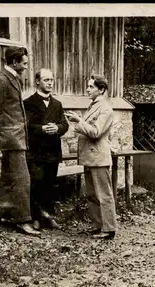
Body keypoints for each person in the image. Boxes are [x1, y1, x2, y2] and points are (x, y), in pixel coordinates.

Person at [0, 46, 40, 236]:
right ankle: (22, 220)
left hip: (15, 137)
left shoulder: (12, 78)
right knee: (22, 180)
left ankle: (5, 214)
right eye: (24, 63)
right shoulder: (1, 81)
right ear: (15, 62)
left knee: (9, 178)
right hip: (11, 138)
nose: (26, 67)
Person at [64, 74, 117, 240]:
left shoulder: (105, 108)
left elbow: (96, 132)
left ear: (101, 90)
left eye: (91, 87)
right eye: (88, 86)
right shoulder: (93, 105)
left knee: (104, 194)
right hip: (90, 157)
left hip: (99, 158)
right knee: (92, 194)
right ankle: (98, 225)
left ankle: (109, 228)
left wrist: (79, 121)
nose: (87, 89)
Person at [24, 68, 69, 230]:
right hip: (36, 153)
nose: (50, 83)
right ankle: (36, 217)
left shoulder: (57, 104)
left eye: (51, 80)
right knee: (36, 184)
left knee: (50, 185)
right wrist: (42, 129)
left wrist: (57, 128)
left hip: (53, 152)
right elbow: (26, 126)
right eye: (46, 80)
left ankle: (48, 216)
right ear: (37, 81)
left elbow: (65, 124)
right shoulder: (28, 103)